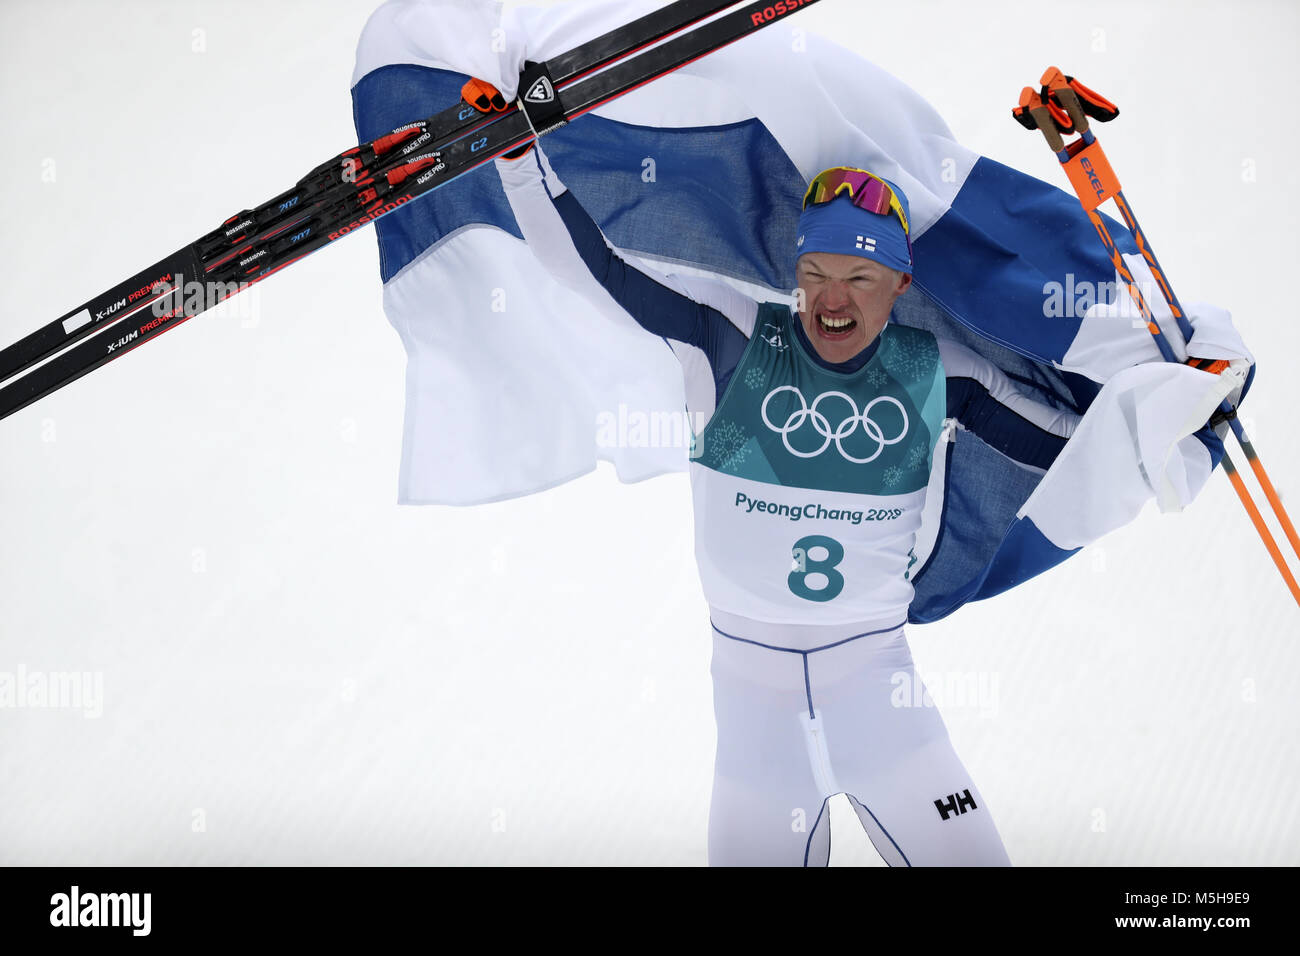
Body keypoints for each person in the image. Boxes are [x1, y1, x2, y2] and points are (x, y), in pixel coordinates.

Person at [492, 140, 1095, 866]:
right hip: (757, 735)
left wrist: (1173, 405)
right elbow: (598, 270)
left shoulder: (939, 374)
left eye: (859, 277)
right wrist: (521, 162)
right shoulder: (734, 336)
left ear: (901, 283)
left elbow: (1079, 445)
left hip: (881, 699)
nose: (832, 301)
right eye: (814, 274)